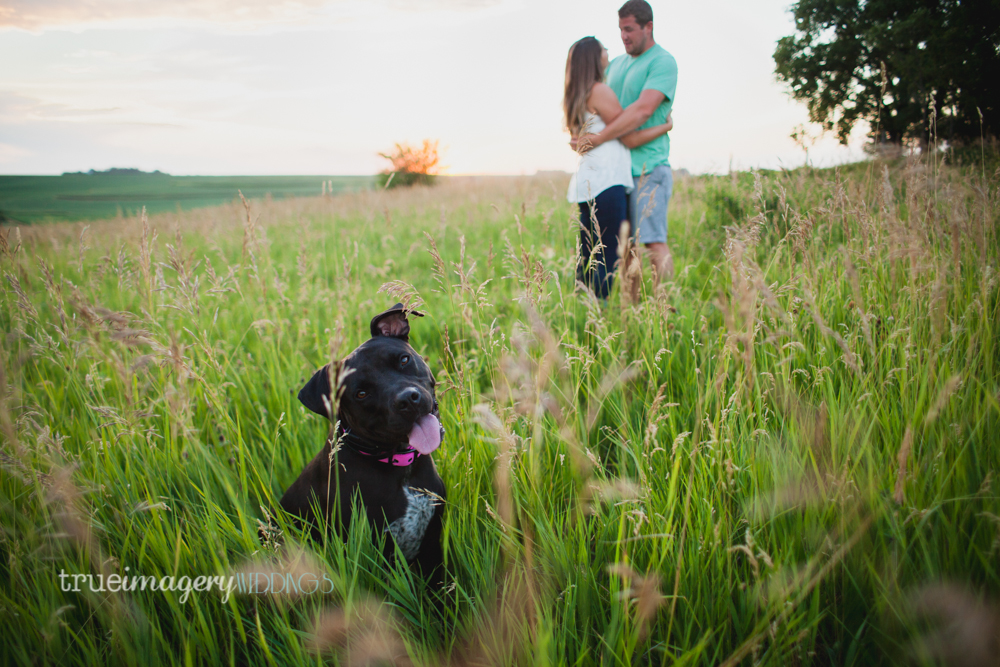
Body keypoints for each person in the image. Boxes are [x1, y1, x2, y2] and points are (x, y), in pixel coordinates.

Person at [564, 36, 673, 300]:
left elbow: (579, 141)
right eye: (603, 49)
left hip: (587, 184)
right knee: (609, 255)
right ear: (594, 57)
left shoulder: (574, 95)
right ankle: (599, 308)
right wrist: (665, 126)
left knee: (589, 254)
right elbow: (629, 136)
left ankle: (585, 307)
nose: (608, 53)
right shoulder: (600, 91)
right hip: (608, 181)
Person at [580, 0, 678, 283]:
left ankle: (667, 304)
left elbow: (642, 111)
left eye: (630, 29)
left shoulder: (662, 61)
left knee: (653, 241)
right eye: (621, 29)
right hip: (617, 171)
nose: (624, 36)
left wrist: (598, 138)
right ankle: (633, 307)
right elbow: (597, 103)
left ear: (649, 27)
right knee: (628, 246)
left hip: (649, 166)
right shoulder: (616, 65)